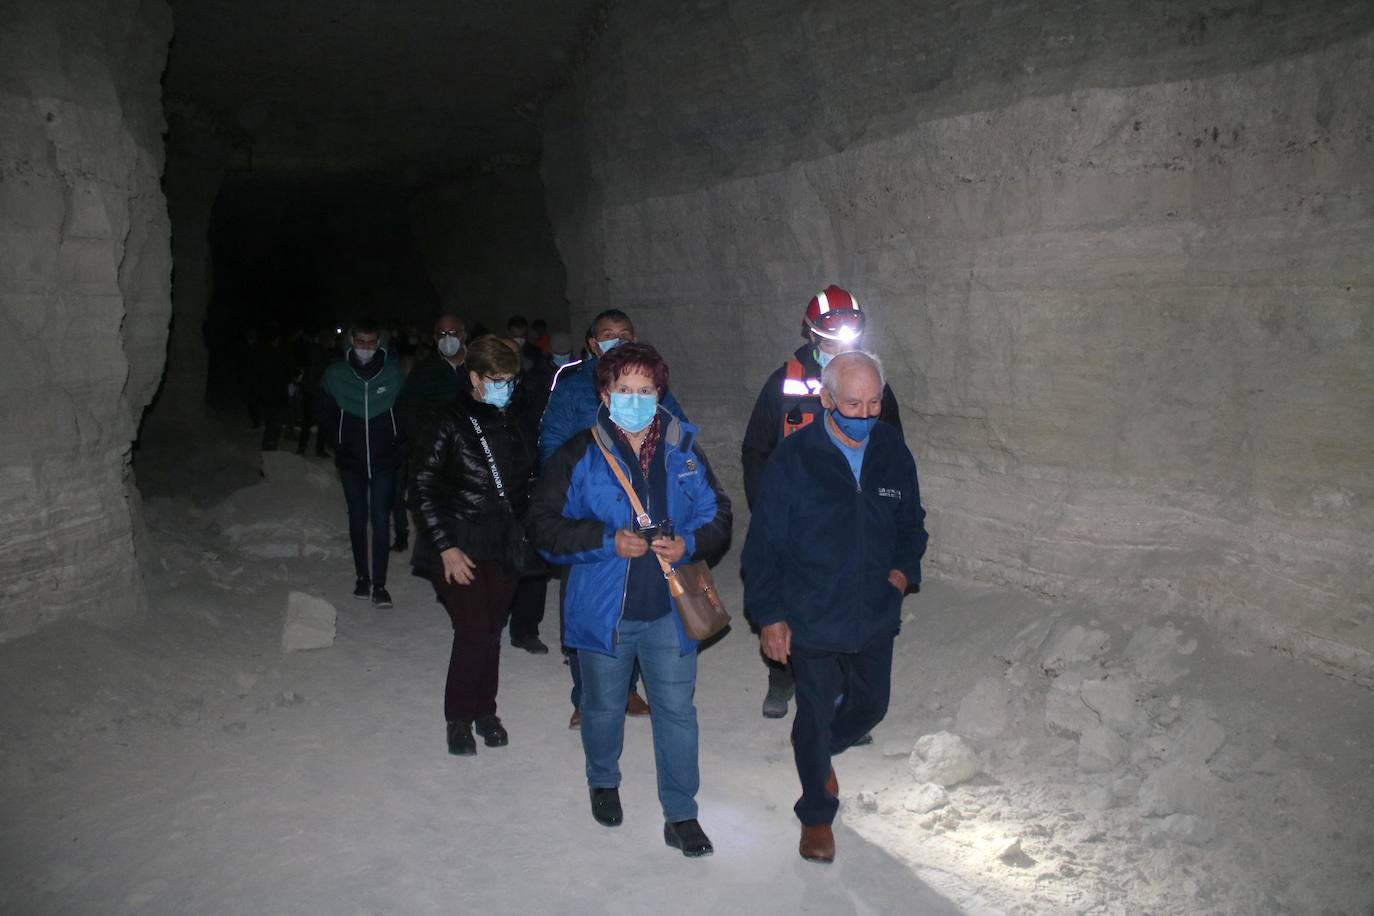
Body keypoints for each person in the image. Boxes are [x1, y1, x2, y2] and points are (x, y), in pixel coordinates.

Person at [527, 342, 732, 857]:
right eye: (624, 390)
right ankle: (603, 780)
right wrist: (604, 541)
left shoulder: (683, 447)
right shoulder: (579, 453)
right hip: (605, 612)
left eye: (646, 390)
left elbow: (719, 515)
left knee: (677, 712)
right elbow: (542, 527)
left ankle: (681, 814)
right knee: (602, 706)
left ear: (659, 393)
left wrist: (691, 543)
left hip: (669, 608)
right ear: (605, 393)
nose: (636, 399)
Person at [740, 351, 927, 864]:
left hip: (873, 608)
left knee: (872, 706)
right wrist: (770, 616)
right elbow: (763, 547)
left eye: (873, 404)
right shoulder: (794, 459)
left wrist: (903, 570)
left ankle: (821, 755)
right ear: (826, 400)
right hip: (812, 612)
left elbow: (911, 521)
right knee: (815, 713)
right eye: (852, 404)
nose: (864, 415)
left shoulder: (892, 449)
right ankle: (817, 815)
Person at [741, 284, 903, 720]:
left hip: (851, 519)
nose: (841, 342)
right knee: (790, 604)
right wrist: (767, 508)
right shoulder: (785, 381)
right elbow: (757, 449)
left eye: (850, 331)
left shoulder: (872, 382)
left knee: (850, 608)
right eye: (831, 333)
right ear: (811, 333)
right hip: (798, 517)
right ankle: (782, 678)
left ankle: (846, 702)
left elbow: (892, 450)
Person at [538, 309, 690, 725]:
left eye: (624, 334)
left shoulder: (652, 385)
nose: (616, 339)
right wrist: (566, 490)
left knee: (641, 602)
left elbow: (680, 433)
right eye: (608, 335)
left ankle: (627, 690)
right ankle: (584, 696)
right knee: (588, 607)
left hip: (643, 515)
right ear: (592, 342)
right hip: (589, 515)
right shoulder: (572, 388)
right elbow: (553, 440)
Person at [411, 335, 536, 756]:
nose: (505, 386)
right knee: (472, 630)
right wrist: (445, 546)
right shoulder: (448, 419)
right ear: (474, 377)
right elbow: (423, 486)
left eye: (510, 379)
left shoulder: (515, 417)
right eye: (496, 379)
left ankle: (486, 711)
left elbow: (526, 479)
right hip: (459, 540)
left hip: (503, 541)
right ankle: (459, 718)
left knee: (492, 631)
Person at [319, 317, 408, 608]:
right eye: (360, 342)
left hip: (384, 460)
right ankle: (361, 578)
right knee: (357, 518)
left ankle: (380, 586)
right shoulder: (336, 376)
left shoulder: (393, 375)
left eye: (371, 343)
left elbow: (405, 414)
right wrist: (340, 442)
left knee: (381, 519)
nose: (365, 348)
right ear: (351, 342)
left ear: (379, 343)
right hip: (351, 460)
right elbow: (325, 414)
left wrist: (397, 445)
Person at [394, 314, 473, 553]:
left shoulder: (478, 366)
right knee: (437, 510)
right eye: (441, 334)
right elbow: (407, 410)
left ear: (463, 334)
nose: (448, 339)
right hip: (437, 456)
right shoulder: (425, 370)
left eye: (453, 333)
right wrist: (426, 443)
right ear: (433, 337)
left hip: (474, 455)